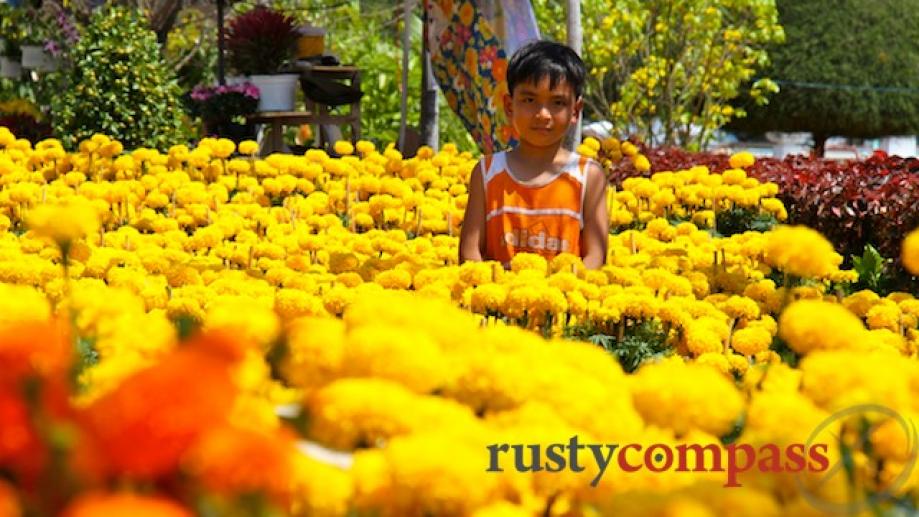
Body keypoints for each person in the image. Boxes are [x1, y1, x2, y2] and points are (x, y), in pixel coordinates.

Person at [459, 40, 609, 269]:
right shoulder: (487, 173)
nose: (542, 114)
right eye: (530, 100)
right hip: (496, 301)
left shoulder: (588, 176)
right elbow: (470, 252)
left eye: (557, 102)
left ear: (575, 111)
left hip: (563, 302)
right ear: (509, 106)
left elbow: (595, 258)